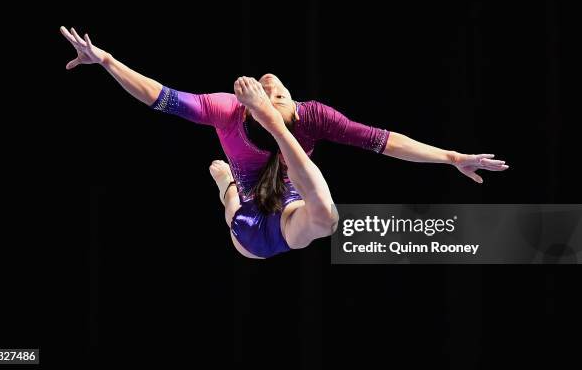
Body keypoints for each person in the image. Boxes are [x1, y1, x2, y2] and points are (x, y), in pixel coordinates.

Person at [62, 26, 509, 259]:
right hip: (255, 228)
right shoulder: (229, 110)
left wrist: (451, 157)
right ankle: (227, 187)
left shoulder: (312, 116)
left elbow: (385, 141)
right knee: (243, 195)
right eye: (265, 88)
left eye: (275, 89)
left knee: (325, 218)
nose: (269, 82)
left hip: (290, 208)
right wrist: (107, 61)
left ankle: (226, 184)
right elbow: (161, 97)